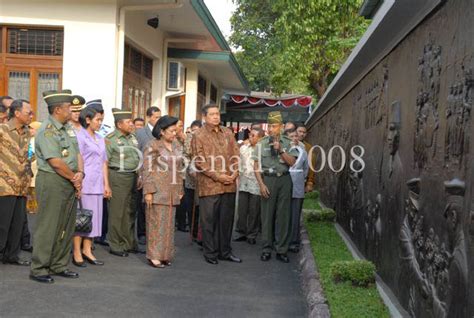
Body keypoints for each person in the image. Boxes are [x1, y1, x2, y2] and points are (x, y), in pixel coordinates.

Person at [30, 90, 84, 284]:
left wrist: (80, 174)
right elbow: (55, 161)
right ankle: (39, 267)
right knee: (49, 225)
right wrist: (74, 178)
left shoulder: (67, 128)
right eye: (69, 107)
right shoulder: (47, 130)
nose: (72, 110)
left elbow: (77, 153)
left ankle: (59, 264)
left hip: (69, 180)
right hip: (53, 180)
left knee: (66, 225)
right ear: (58, 109)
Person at [192, 104, 242, 265]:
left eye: (218, 114)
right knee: (209, 221)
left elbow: (236, 154)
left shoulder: (227, 132)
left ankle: (225, 252)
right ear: (205, 116)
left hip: (229, 184)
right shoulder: (198, 135)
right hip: (210, 185)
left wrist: (234, 173)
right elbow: (199, 161)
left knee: (226, 221)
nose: (216, 117)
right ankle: (210, 253)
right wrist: (219, 177)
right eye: (212, 114)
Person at [253, 111, 297, 263]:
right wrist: (261, 184)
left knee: (283, 216)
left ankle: (282, 250)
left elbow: (292, 162)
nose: (271, 129)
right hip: (268, 180)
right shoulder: (261, 143)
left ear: (282, 126)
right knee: (267, 215)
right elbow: (256, 166)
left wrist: (281, 150)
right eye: (269, 125)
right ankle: (266, 248)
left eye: (274, 126)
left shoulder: (289, 142)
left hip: (284, 180)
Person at [72, 102, 111, 267]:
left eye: (101, 120)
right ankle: (76, 251)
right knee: (82, 218)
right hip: (85, 182)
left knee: (94, 219)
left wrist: (106, 185)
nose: (100, 123)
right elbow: (77, 159)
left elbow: (104, 163)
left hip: (97, 184)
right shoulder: (79, 136)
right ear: (87, 120)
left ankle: (88, 249)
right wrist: (78, 184)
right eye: (97, 120)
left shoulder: (100, 139)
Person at [142, 115, 184, 268]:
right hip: (157, 190)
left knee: (168, 225)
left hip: (172, 191)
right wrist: (148, 191)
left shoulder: (177, 145)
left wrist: (180, 188)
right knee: (156, 224)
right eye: (172, 131)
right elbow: (146, 169)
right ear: (162, 131)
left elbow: (179, 169)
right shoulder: (152, 145)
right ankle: (153, 256)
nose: (175, 134)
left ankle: (165, 255)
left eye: (175, 131)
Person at [0, 99, 33, 267]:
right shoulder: (2, 130)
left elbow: (30, 154)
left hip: (21, 185)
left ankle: (12, 255)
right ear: (17, 113)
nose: (31, 116)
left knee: (17, 223)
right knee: (3, 224)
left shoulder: (27, 132)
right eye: (29, 113)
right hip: (4, 185)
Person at [106, 108, 141, 257]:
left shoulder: (132, 137)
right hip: (118, 176)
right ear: (119, 124)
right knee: (117, 212)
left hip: (133, 176)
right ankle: (115, 244)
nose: (131, 124)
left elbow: (137, 158)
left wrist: (139, 175)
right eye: (128, 122)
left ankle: (129, 243)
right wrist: (106, 184)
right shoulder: (111, 139)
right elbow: (105, 162)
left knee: (130, 211)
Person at [234, 126, 264, 245]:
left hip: (256, 183)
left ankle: (252, 234)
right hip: (243, 182)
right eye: (250, 135)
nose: (250, 137)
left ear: (260, 138)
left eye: (253, 135)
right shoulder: (244, 148)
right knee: (241, 209)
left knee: (254, 210)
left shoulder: (263, 150)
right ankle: (241, 232)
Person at [135, 106, 161, 245]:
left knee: (155, 206)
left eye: (159, 117)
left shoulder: (161, 132)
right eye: (156, 117)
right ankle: (141, 233)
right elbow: (137, 154)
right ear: (149, 117)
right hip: (144, 173)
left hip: (159, 174)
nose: (158, 119)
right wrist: (139, 175)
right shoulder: (140, 133)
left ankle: (153, 233)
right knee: (143, 205)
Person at [285, 128, 309, 253]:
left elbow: (306, 169)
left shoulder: (303, 151)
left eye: (296, 136)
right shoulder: (283, 151)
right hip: (284, 187)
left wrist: (302, 180)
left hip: (298, 187)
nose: (294, 138)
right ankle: (282, 240)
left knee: (295, 215)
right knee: (283, 215)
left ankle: (293, 242)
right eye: (291, 136)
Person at [21, 121, 42, 253]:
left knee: (35, 189)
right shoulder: (27, 139)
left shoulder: (39, 140)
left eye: (32, 128)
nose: (30, 130)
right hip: (27, 169)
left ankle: (34, 206)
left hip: (36, 168)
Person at [184, 120, 202, 242]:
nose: (195, 133)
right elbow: (185, 156)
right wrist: (190, 169)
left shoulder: (206, 137)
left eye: (197, 130)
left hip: (205, 178)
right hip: (191, 178)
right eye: (193, 130)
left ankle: (201, 233)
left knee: (202, 207)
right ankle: (193, 231)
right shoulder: (189, 138)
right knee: (191, 207)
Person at [295, 123, 315, 193]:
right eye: (300, 131)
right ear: (295, 131)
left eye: (304, 132)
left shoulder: (309, 148)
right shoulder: (288, 144)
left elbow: (311, 165)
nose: (302, 134)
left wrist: (310, 182)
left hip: (301, 180)